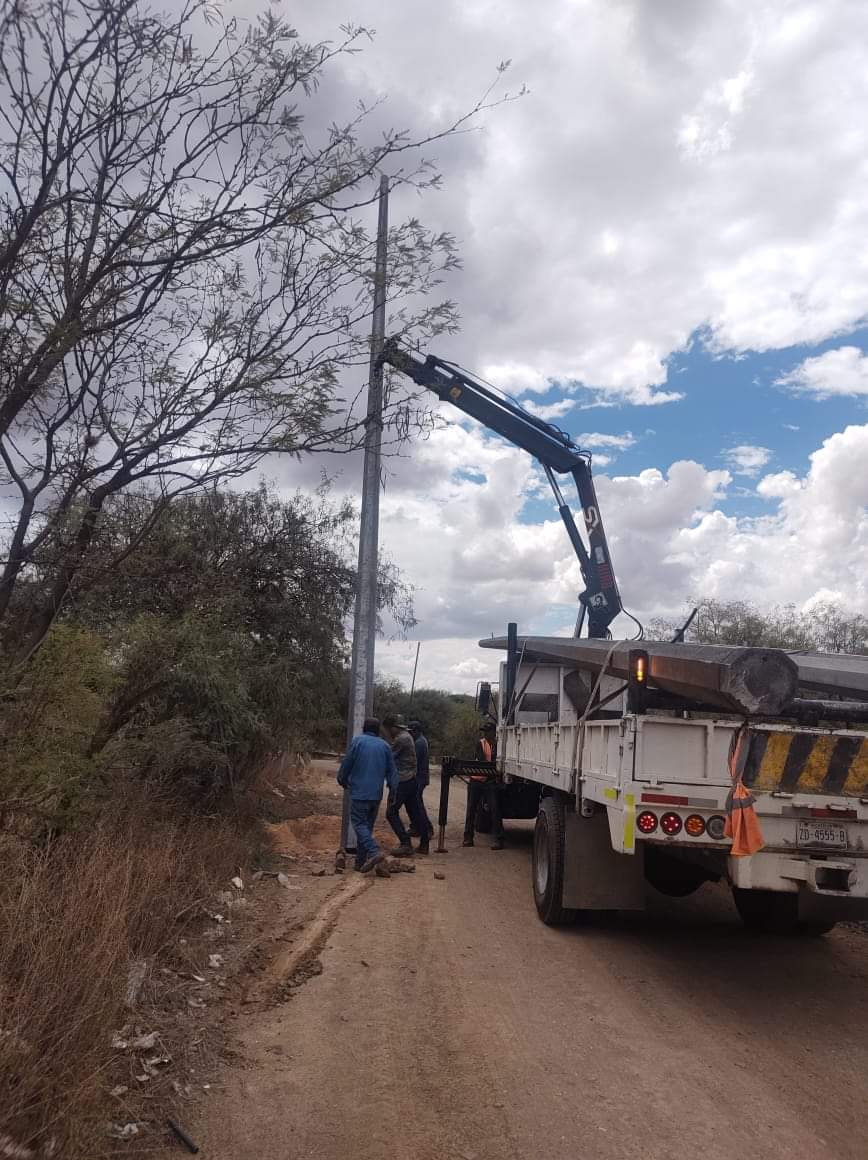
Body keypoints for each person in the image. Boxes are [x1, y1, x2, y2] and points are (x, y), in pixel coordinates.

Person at [337, 717, 399, 874]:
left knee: (358, 824)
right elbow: (392, 772)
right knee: (366, 828)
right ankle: (359, 862)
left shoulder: (358, 742)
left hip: (359, 793)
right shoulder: (385, 746)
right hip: (376, 795)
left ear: (364, 728)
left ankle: (374, 852)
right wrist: (393, 791)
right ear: (378, 731)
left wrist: (342, 779)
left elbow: (347, 763)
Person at [382, 714, 429, 856]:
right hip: (411, 780)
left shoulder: (401, 739)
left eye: (389, 729)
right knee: (416, 811)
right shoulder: (407, 737)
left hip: (402, 781)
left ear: (395, 727)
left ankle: (405, 843)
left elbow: (388, 757)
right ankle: (424, 843)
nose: (388, 732)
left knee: (391, 813)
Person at [463, 721, 504, 850]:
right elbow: (483, 762)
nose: (485, 734)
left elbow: (496, 762)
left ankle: (498, 839)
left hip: (490, 782)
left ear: (493, 732)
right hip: (477, 781)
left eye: (488, 731)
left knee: (494, 809)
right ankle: (468, 838)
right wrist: (493, 768)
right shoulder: (480, 744)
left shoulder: (498, 744)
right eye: (484, 732)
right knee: (471, 809)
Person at [407, 720, 434, 840]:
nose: (410, 734)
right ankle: (417, 827)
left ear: (416, 731)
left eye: (411, 732)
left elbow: (413, 760)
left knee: (417, 804)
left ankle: (426, 828)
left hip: (419, 778)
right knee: (414, 803)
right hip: (420, 777)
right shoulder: (420, 741)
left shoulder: (419, 743)